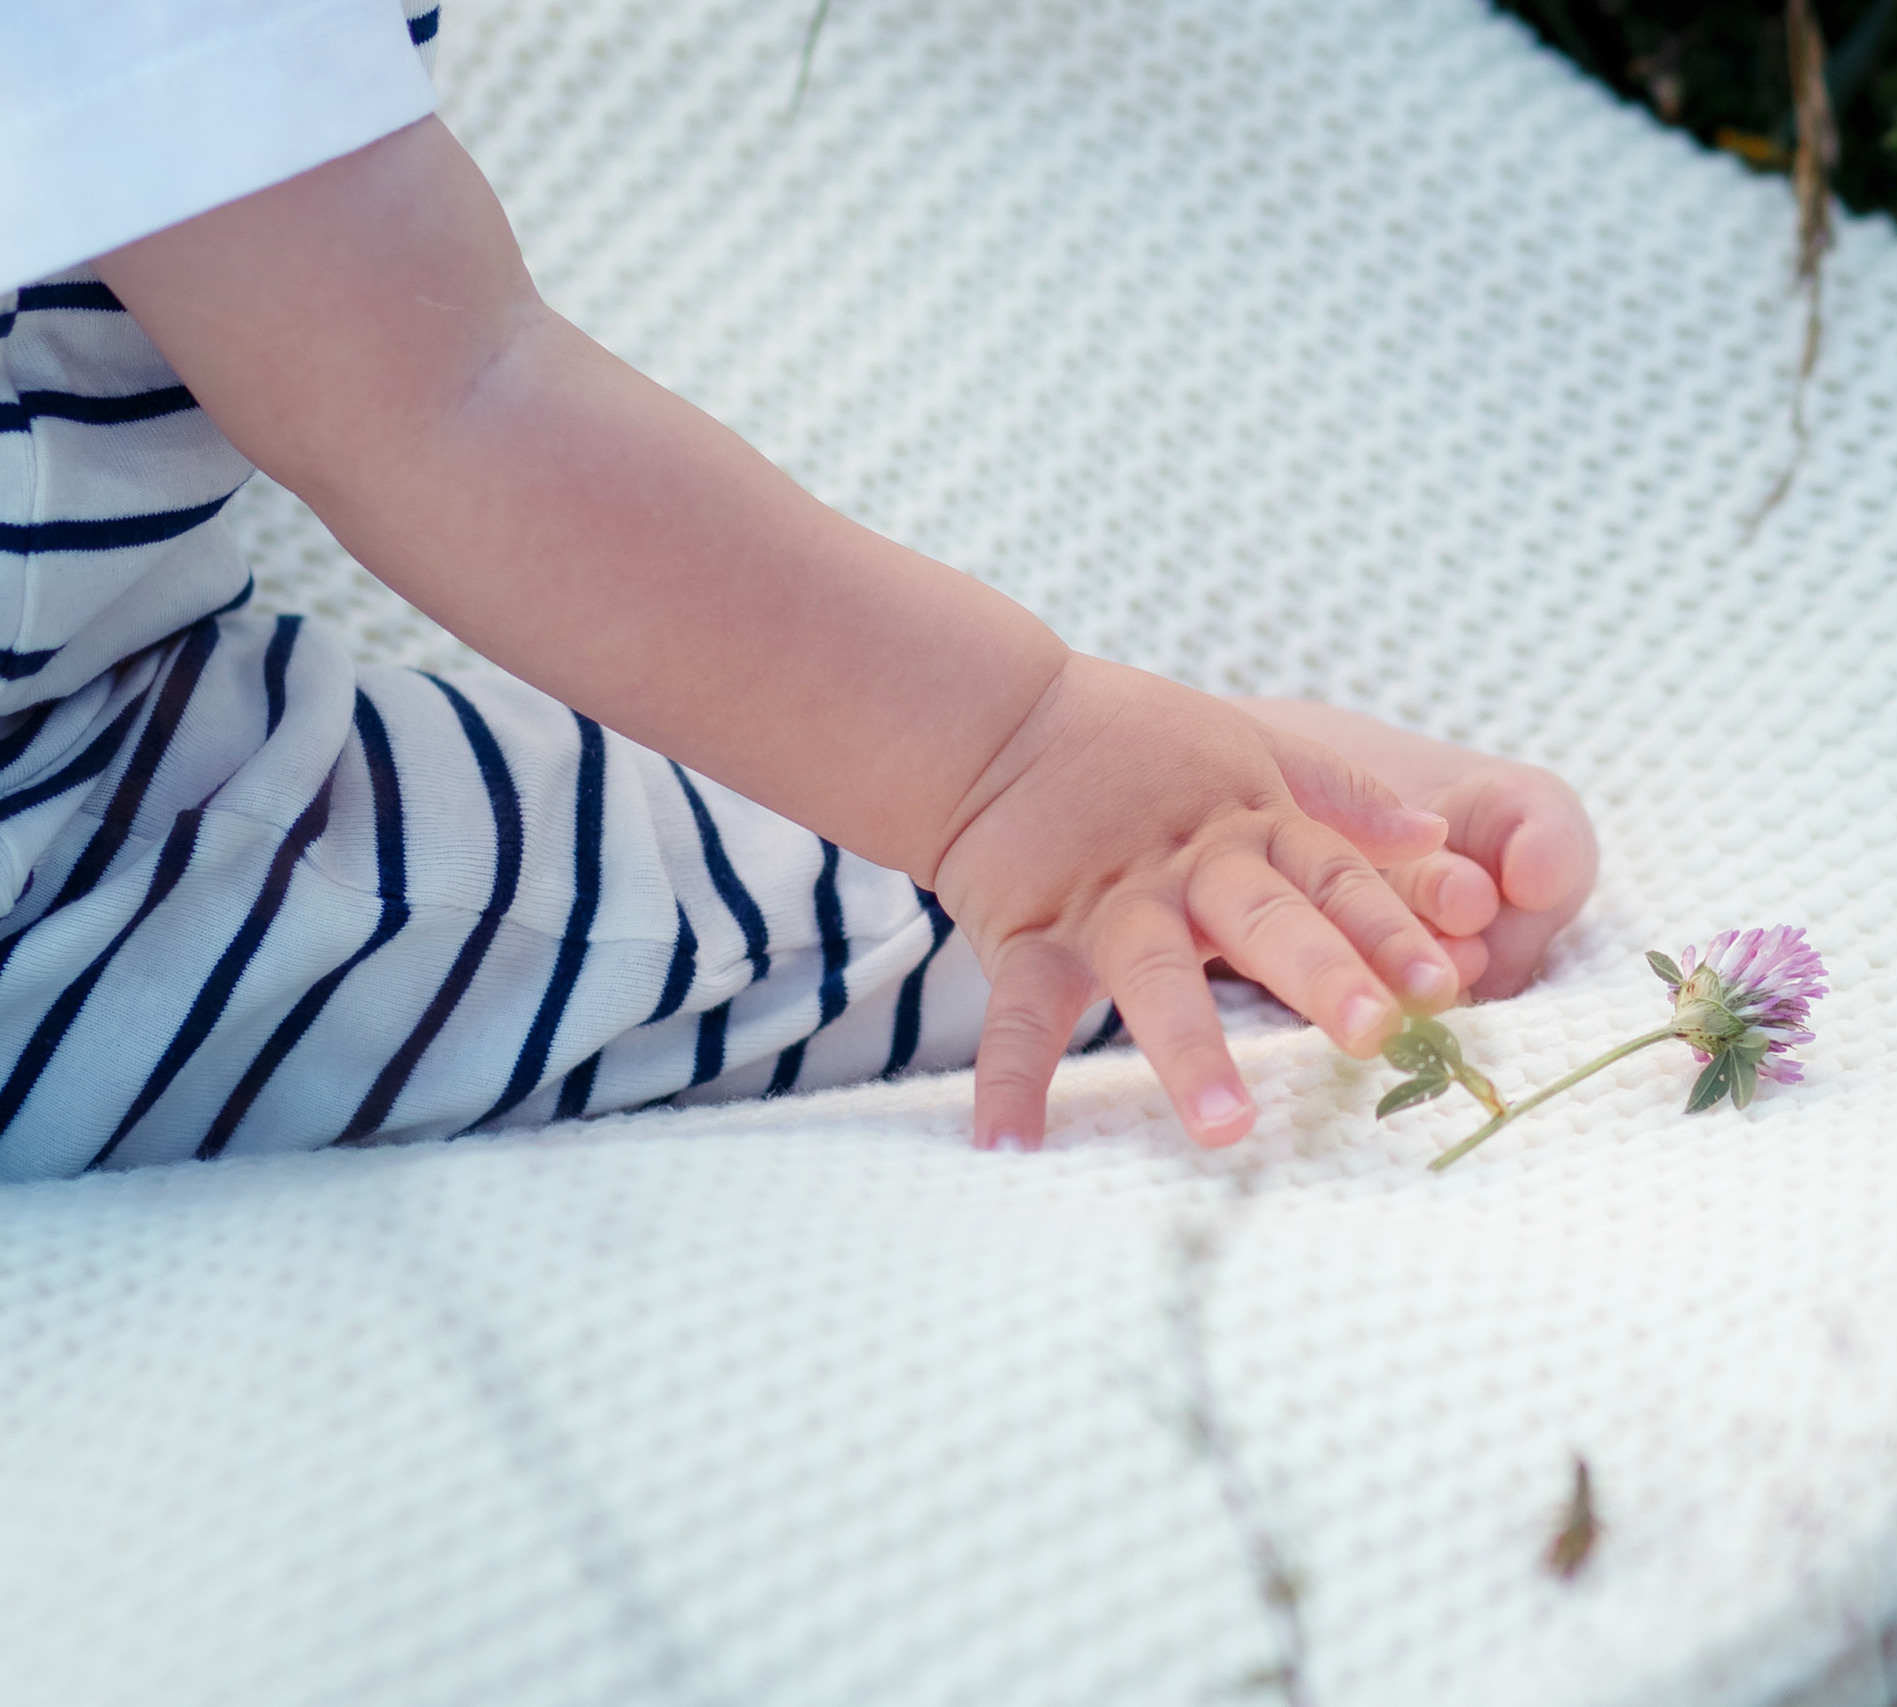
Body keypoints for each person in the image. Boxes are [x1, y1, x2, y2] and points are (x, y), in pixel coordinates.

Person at [0, 0, 1596, 1180]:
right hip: (51, 843)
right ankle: (1122, 858)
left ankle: (1138, 830)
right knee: (626, 923)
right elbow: (438, 400)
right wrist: (1012, 762)